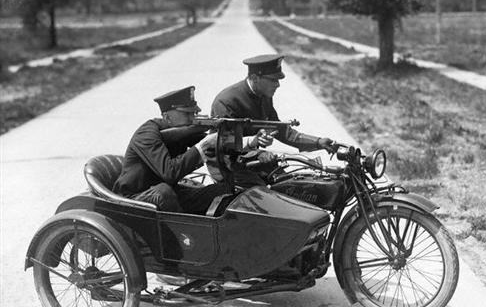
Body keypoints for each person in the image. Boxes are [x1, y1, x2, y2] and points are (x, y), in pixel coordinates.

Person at [210, 54, 335, 186]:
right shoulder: (227, 101)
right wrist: (256, 152)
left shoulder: (263, 94)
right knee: (267, 199)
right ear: (254, 78)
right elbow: (225, 145)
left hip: (253, 160)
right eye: (273, 80)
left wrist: (318, 142)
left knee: (294, 186)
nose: (278, 85)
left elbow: (279, 128)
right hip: (226, 166)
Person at [113, 86, 226, 214]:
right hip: (134, 198)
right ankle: (184, 233)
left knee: (220, 191)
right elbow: (170, 173)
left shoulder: (182, 130)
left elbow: (213, 146)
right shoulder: (146, 134)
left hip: (170, 191)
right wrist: (202, 146)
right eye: (187, 114)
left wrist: (245, 141)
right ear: (167, 117)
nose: (192, 118)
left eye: (194, 113)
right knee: (163, 192)